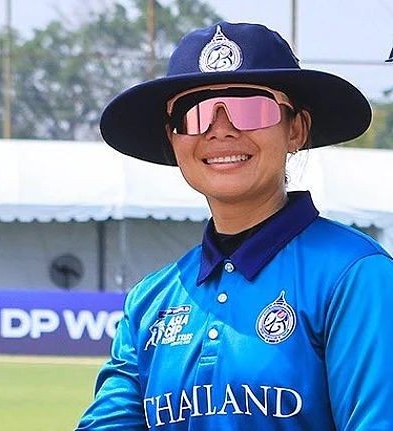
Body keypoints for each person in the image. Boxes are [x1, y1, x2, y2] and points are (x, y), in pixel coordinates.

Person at [77, 21, 393, 430]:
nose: (220, 129)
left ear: (295, 129)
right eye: (195, 114)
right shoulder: (149, 301)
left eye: (250, 108)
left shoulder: (357, 275)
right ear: (174, 141)